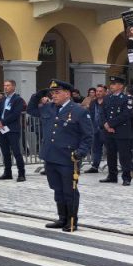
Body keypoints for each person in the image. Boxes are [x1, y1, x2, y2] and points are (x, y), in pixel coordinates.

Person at [26, 80, 92, 232]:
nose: (53, 96)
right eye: (52, 93)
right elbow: (30, 109)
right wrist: (40, 93)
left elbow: (88, 136)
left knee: (69, 190)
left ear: (67, 94)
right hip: (50, 156)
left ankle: (72, 221)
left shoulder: (78, 111)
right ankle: (62, 218)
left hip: (68, 158)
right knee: (57, 189)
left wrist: (80, 153)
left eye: (57, 92)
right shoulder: (48, 108)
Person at [102, 75, 133, 185]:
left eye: (114, 84)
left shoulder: (127, 99)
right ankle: (112, 175)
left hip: (121, 131)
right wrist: (105, 124)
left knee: (124, 156)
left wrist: (110, 124)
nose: (111, 86)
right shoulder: (107, 98)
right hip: (108, 131)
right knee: (110, 154)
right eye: (111, 84)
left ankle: (126, 177)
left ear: (121, 86)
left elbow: (126, 115)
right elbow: (103, 113)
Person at [0, 79, 27, 181]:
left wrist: (3, 122)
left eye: (8, 85)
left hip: (12, 129)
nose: (5, 87)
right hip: (2, 129)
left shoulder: (18, 100)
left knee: (16, 152)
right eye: (4, 85)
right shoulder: (2, 100)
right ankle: (7, 172)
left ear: (13, 87)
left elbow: (15, 114)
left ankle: (21, 174)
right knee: (5, 152)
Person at [84, 85, 107, 173]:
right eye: (97, 91)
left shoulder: (108, 101)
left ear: (105, 92)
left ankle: (113, 166)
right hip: (95, 129)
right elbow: (90, 114)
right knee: (96, 149)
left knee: (110, 149)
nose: (98, 93)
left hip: (105, 129)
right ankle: (95, 166)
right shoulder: (93, 102)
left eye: (100, 91)